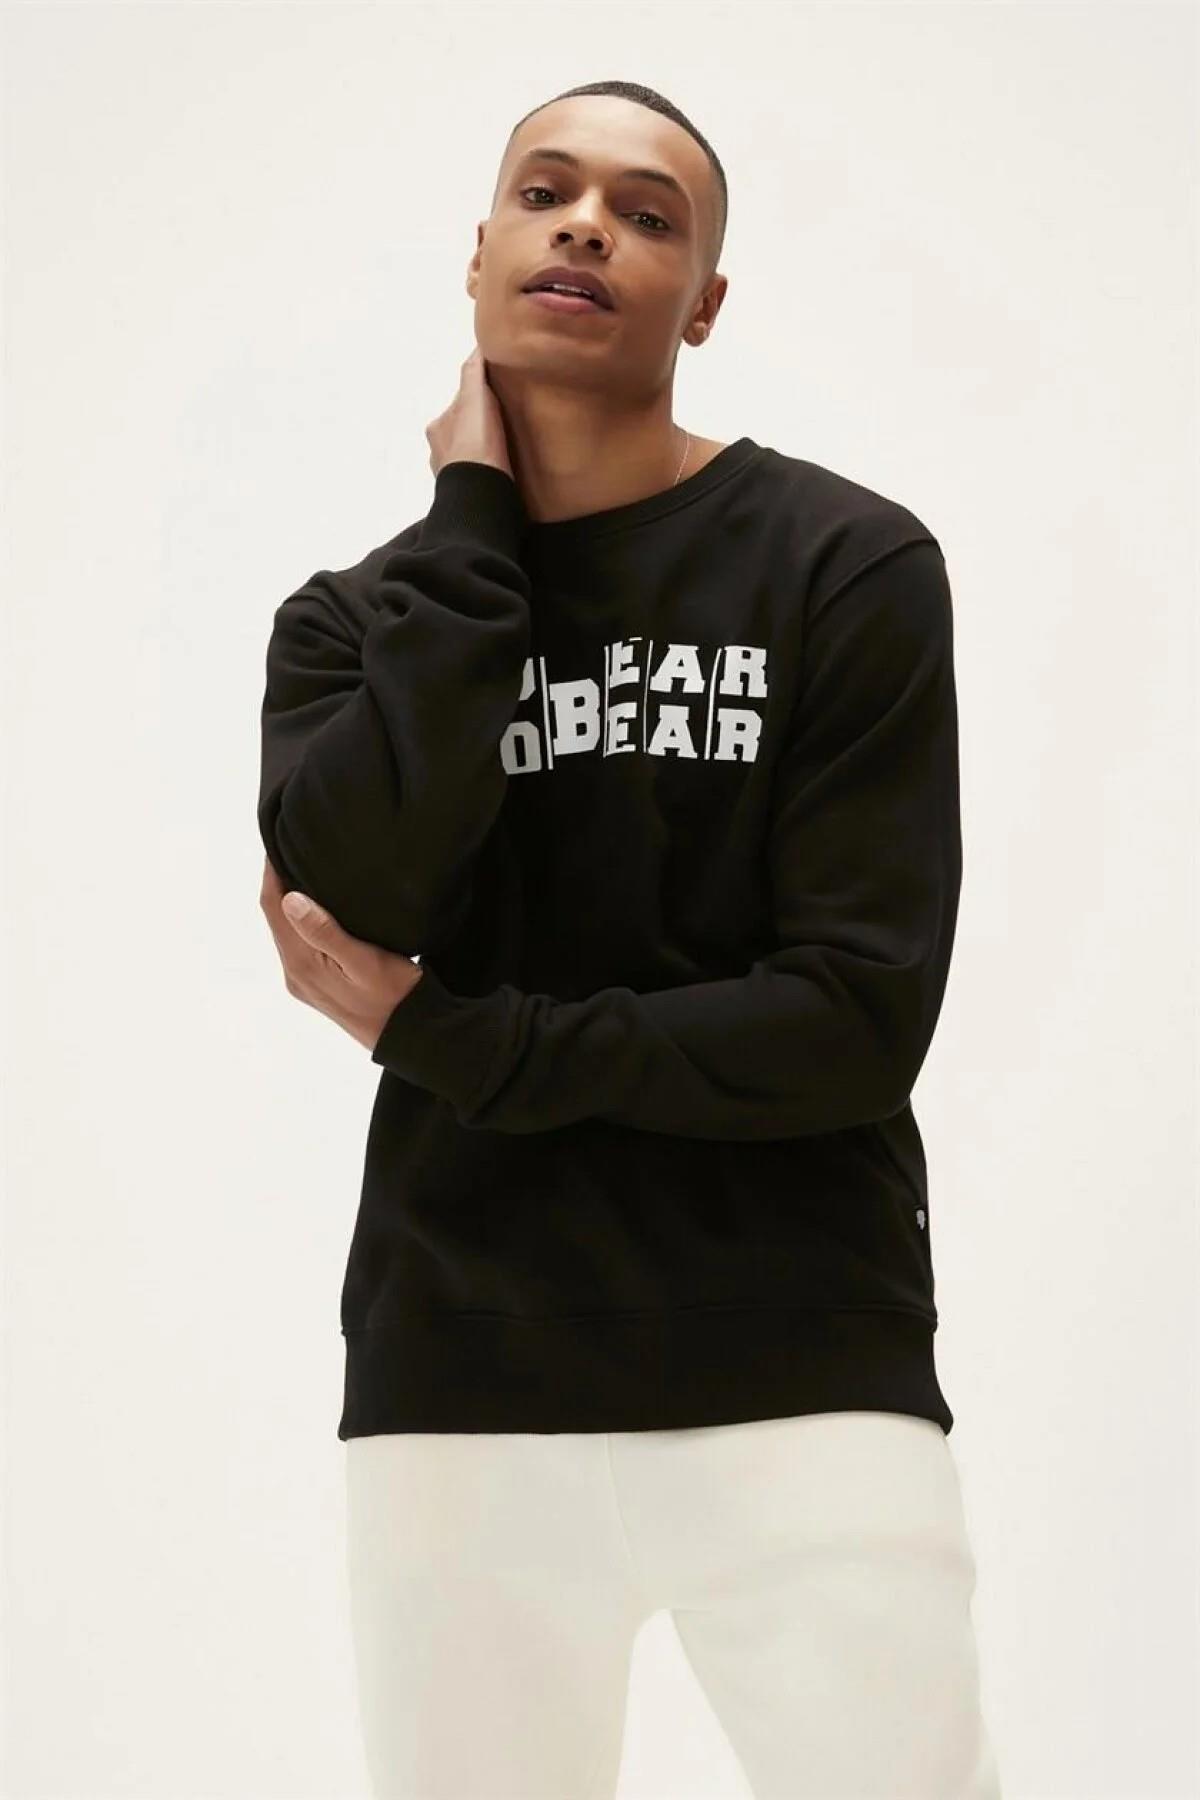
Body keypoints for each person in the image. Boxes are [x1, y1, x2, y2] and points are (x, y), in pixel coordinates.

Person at [257, 77, 1003, 1800]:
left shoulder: (844, 567)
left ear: (705, 301)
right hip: (460, 1386)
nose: (589, 224)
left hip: (804, 1376)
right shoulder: (355, 625)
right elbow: (363, 897)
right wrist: (471, 525)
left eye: (648, 214)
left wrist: (456, 1040)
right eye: (548, 192)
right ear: (480, 255)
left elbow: (852, 1017)